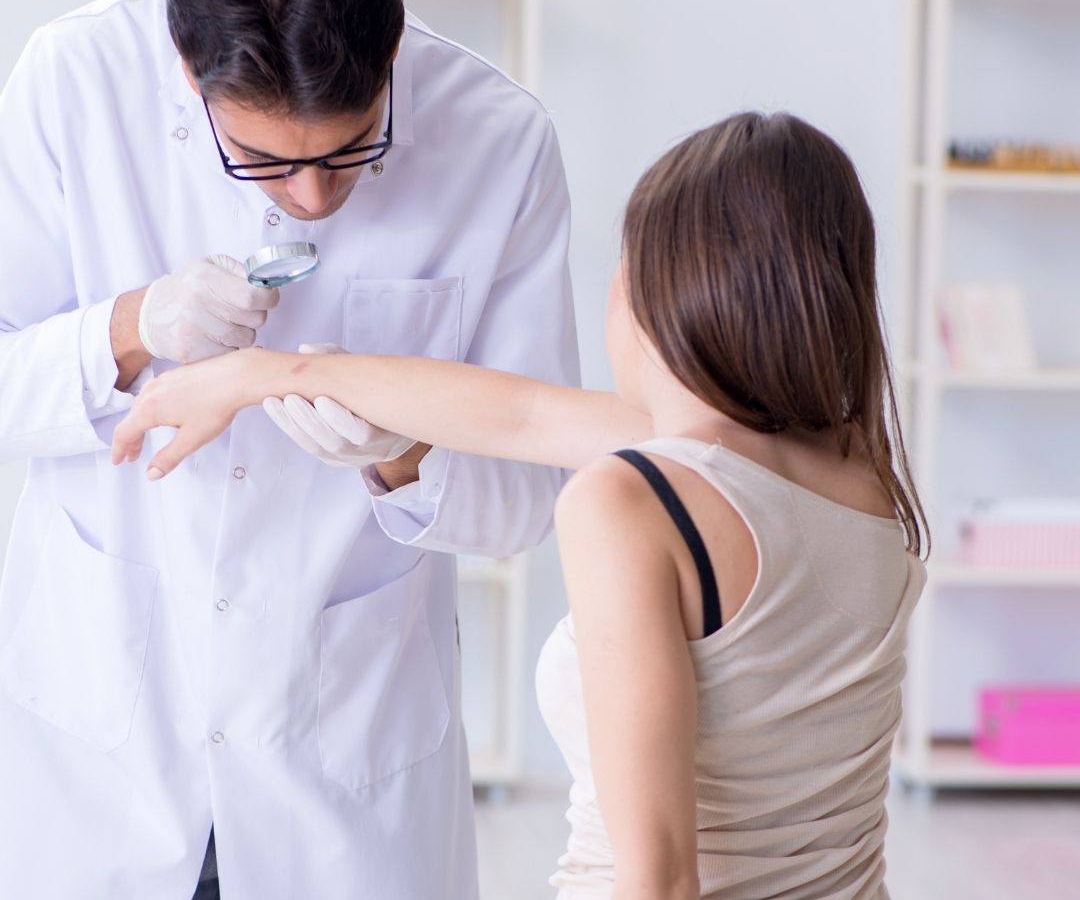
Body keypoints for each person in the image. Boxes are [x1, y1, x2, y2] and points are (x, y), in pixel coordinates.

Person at [114, 112, 929, 899]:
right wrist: (275, 375)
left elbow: (660, 883)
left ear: (649, 289)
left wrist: (267, 375)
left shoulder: (633, 500)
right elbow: (524, 414)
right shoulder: (862, 474)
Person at [0, 0, 578, 899]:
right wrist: (130, 328)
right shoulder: (71, 82)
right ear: (189, 76)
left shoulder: (502, 142)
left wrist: (401, 457)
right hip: (110, 743)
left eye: (354, 151)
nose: (312, 198)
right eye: (262, 158)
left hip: (344, 768)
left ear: (393, 49)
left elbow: (529, 496)